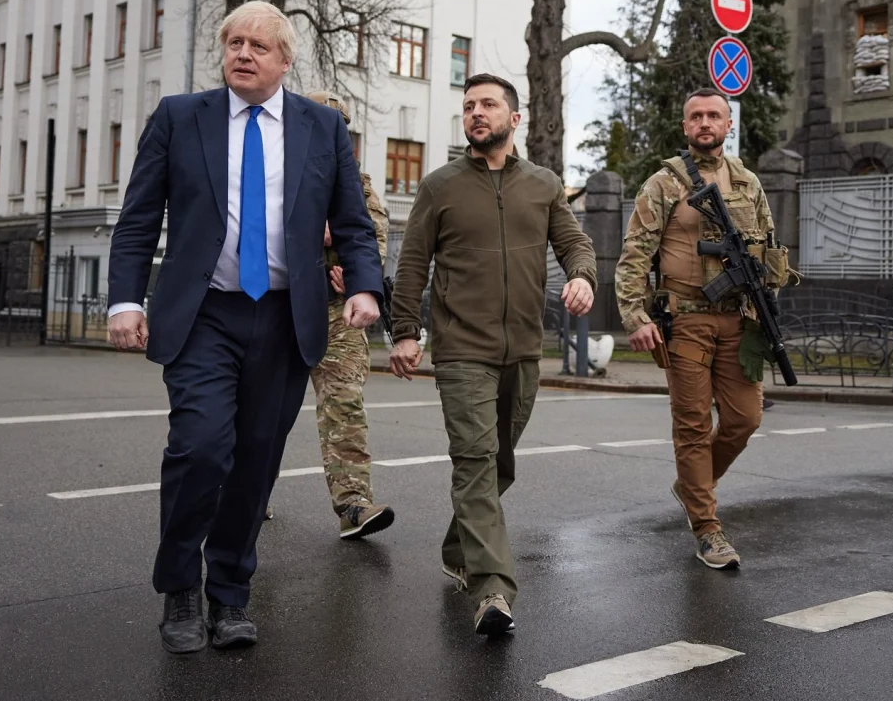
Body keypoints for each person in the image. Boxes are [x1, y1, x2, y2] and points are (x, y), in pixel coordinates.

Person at [106, 1, 384, 655]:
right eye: (234, 41)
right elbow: (140, 215)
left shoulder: (322, 127)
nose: (243, 52)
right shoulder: (180, 117)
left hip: (286, 318)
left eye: (259, 44)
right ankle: (180, 586)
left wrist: (366, 284)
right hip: (206, 314)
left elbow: (352, 221)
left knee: (255, 463)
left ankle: (229, 592)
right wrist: (125, 300)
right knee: (202, 447)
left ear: (285, 61)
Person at [388, 73, 597, 636]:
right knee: (476, 458)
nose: (477, 113)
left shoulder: (544, 184)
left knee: (499, 461)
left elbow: (574, 243)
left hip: (524, 349)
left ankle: (459, 547)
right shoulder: (440, 187)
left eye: (488, 105)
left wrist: (582, 276)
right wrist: (405, 330)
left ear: (514, 118)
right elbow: (412, 263)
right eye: (469, 106)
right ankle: (492, 589)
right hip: (461, 350)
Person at [615, 88, 789, 570]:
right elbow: (634, 256)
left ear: (728, 125)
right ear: (685, 126)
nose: (705, 123)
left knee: (745, 418)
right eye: (696, 116)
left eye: (715, 115)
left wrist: (768, 301)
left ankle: (693, 484)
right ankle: (708, 528)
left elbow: (771, 247)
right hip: (686, 320)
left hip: (740, 318)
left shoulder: (748, 182)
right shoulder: (664, 184)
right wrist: (636, 316)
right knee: (692, 427)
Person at [264, 91, 395, 539]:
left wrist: (360, 279)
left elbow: (373, 241)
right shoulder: (270, 174)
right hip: (277, 306)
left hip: (336, 313)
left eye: (339, 126)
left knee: (344, 404)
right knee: (265, 408)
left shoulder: (358, 185)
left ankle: (353, 505)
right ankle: (250, 492)